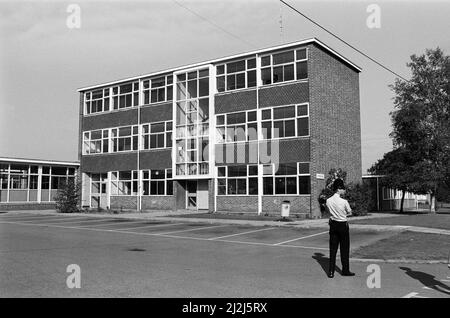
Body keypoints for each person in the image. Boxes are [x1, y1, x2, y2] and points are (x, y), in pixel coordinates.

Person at [325, 178, 355, 278]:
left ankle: (331, 271)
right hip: (342, 225)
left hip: (333, 225)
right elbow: (349, 213)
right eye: (343, 189)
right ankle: (345, 270)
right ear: (339, 189)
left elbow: (329, 212)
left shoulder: (328, 201)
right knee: (344, 249)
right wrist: (344, 214)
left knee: (333, 249)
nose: (344, 190)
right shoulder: (344, 202)